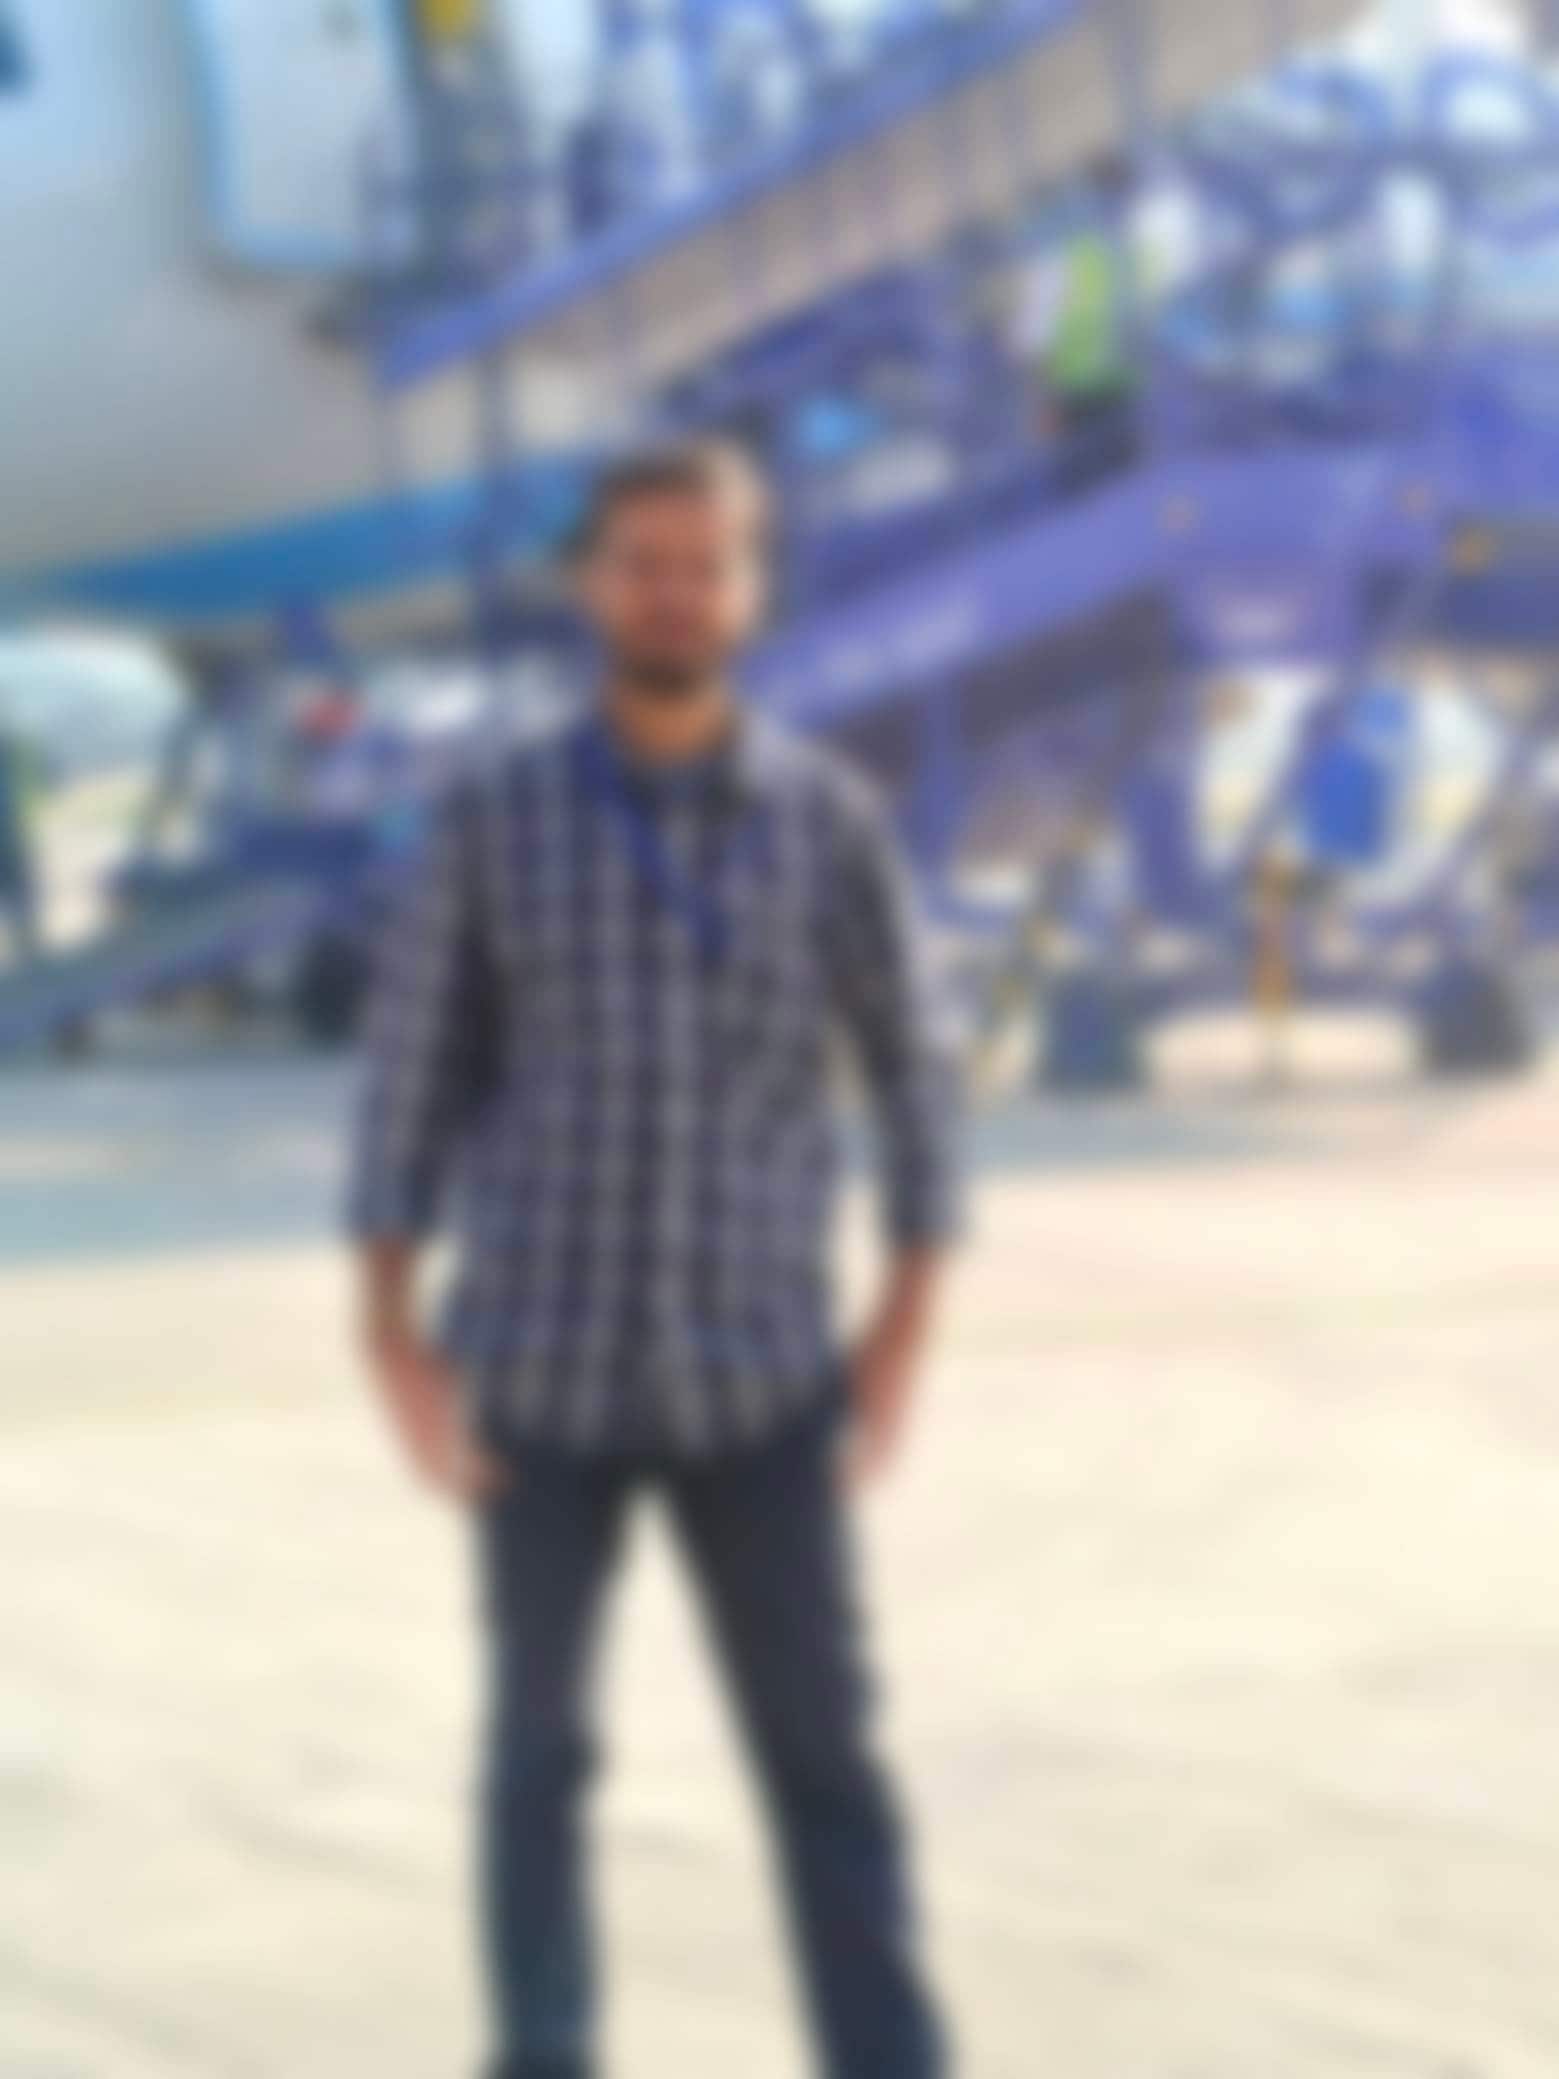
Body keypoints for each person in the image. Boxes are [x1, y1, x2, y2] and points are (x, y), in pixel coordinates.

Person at [348, 440, 961, 2079]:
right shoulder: (493, 819)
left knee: (824, 1759)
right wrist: (390, 1334)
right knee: (535, 1759)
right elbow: (410, 1079)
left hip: (761, 1381)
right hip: (536, 1379)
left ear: (749, 591)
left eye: (705, 564)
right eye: (641, 561)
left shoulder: (828, 824)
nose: (673, 591)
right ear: (588, 583)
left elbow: (916, 1077)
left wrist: (899, 1329)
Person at [0, 722, 40, 964]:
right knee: (18, 890)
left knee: (18, 890)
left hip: (9, 833)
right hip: (9, 834)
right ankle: (28, 944)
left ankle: (28, 944)